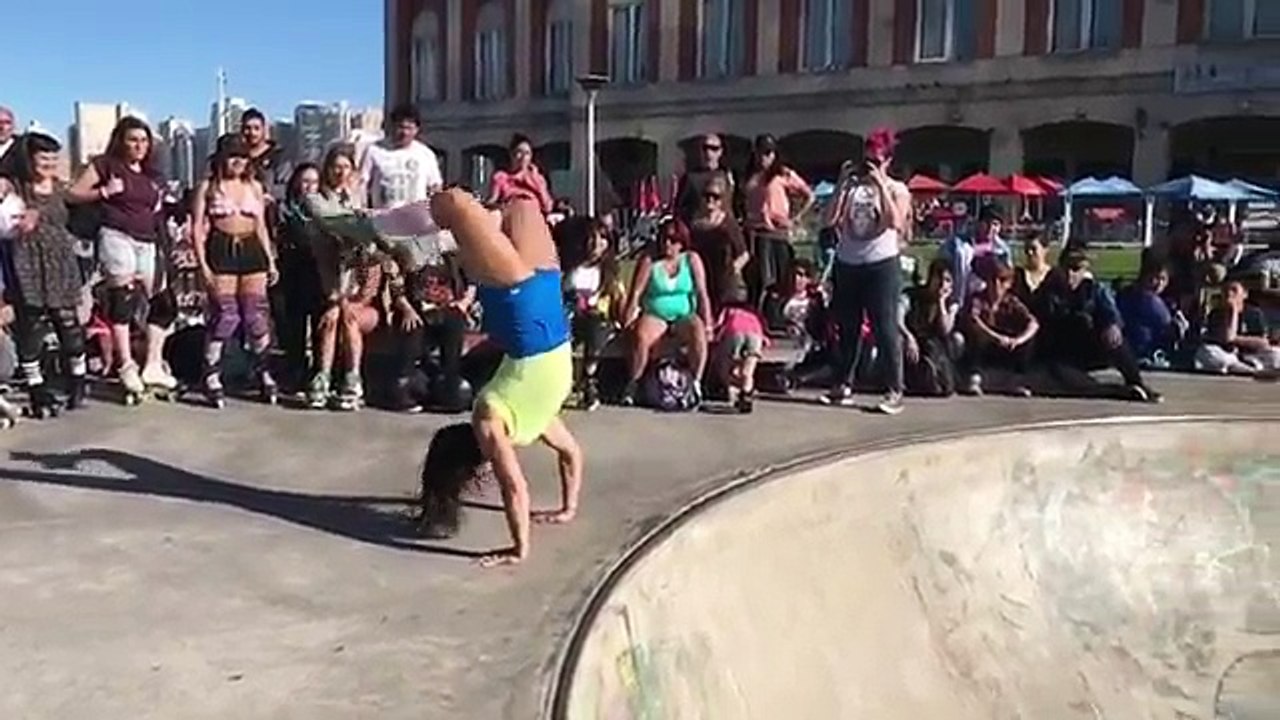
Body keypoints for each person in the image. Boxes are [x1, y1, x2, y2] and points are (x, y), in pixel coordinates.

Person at [417, 190, 582, 568]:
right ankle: (447, 235)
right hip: (532, 302)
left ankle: (399, 232)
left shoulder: (502, 420)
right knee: (518, 205)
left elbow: (525, 481)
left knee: (461, 205)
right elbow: (546, 469)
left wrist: (521, 546)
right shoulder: (520, 418)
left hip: (527, 307)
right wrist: (565, 510)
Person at [67, 116, 176, 399]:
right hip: (117, 235)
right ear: (121, 141)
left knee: (164, 302)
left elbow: (159, 210)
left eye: (143, 140)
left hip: (148, 240)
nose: (139, 145)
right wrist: (104, 191)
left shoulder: (152, 175)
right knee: (122, 298)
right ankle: (126, 363)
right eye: (133, 140)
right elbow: (73, 193)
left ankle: (152, 363)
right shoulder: (105, 165)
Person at [821, 127, 911, 414]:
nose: (869, 165)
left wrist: (880, 185)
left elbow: (894, 222)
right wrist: (841, 184)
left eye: (876, 160)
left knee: (885, 327)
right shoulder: (852, 188)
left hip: (881, 264)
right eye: (867, 159)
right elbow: (829, 219)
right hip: (848, 262)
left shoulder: (898, 189)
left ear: (887, 161)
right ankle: (843, 383)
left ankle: (894, 389)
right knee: (847, 327)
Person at [2, 133, 90, 417]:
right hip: (27, 261)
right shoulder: (15, 187)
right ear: (30, 159)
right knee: (32, 329)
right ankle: (36, 387)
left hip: (60, 261)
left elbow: (83, 205)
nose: (49, 163)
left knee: (69, 326)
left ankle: (78, 380)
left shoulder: (61, 187)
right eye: (43, 158)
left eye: (53, 157)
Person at [190, 135, 278, 407]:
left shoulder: (254, 186)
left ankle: (264, 370)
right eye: (232, 156)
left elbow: (262, 226)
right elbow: (196, 227)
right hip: (221, 249)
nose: (238, 161)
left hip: (252, 250)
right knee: (226, 315)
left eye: (242, 156)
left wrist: (270, 260)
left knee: (255, 316)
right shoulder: (209, 187)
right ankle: (212, 372)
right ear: (221, 159)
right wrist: (203, 264)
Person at [1034, 249, 1161, 402]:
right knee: (1075, 385)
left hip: (1087, 346)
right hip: (1061, 354)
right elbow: (1040, 322)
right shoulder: (1049, 290)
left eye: (1076, 270)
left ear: (1084, 270)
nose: (1070, 275)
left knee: (1115, 339)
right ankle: (1119, 392)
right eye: (1066, 268)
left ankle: (1136, 382)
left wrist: (1112, 325)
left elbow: (1110, 313)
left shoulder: (1094, 289)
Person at [619, 217, 714, 407]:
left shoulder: (691, 260)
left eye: (672, 240)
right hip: (656, 314)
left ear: (681, 242)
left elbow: (702, 292)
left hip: (683, 315)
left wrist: (708, 322)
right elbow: (635, 293)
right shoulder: (649, 261)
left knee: (698, 329)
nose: (667, 244)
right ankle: (633, 384)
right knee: (641, 335)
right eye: (664, 238)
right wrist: (627, 320)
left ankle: (695, 383)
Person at [387, 244, 476, 414]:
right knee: (412, 329)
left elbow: (472, 281)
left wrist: (463, 304)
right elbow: (396, 287)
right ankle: (404, 387)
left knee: (454, 324)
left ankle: (450, 386)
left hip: (448, 308)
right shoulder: (406, 252)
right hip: (417, 309)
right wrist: (407, 310)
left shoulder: (453, 254)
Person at [359, 103, 444, 269]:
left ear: (416, 130)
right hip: (384, 224)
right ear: (391, 126)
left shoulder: (425, 154)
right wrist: (362, 210)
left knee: (419, 273)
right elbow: (362, 184)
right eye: (399, 127)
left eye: (409, 127)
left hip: (417, 225)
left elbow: (435, 187)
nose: (403, 132)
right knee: (386, 275)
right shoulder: (374, 151)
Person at [557, 216, 624, 412]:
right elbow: (563, 293)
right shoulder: (574, 268)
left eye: (602, 238)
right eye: (592, 239)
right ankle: (563, 384)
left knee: (595, 324)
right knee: (563, 332)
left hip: (599, 319)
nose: (597, 244)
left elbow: (618, 298)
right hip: (574, 316)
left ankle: (589, 380)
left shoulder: (610, 270)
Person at [743, 134, 813, 307]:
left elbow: (808, 195)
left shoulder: (782, 174)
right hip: (755, 232)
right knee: (758, 278)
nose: (764, 157)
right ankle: (759, 312)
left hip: (777, 232)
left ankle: (781, 311)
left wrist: (795, 217)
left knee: (780, 277)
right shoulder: (750, 175)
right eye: (761, 153)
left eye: (769, 153)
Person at [274, 164, 325, 391]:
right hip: (291, 269)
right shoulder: (284, 209)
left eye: (314, 182)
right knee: (293, 323)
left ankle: (319, 371)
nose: (308, 187)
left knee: (318, 323)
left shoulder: (325, 209)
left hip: (318, 271)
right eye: (304, 181)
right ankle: (295, 369)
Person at [961, 260, 1039, 396]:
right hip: (983, 346)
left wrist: (1018, 340)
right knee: (976, 337)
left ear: (1008, 284)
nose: (996, 285)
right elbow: (974, 321)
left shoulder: (1011, 301)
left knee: (1028, 341)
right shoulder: (978, 299)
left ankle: (1018, 380)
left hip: (1004, 348)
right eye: (993, 280)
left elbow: (1033, 323)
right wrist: (996, 337)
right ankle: (974, 377)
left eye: (1002, 280)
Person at [689, 175, 749, 315]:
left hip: (723, 274)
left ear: (721, 201)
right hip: (701, 272)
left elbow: (744, 253)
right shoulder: (695, 224)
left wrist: (735, 268)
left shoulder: (728, 223)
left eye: (715, 196)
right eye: (707, 195)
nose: (710, 200)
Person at [902, 258, 961, 397]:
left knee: (957, 340)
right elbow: (897, 317)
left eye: (947, 280)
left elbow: (945, 329)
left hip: (937, 345)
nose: (941, 283)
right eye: (938, 278)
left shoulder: (952, 303)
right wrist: (908, 336)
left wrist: (941, 302)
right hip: (912, 341)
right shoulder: (914, 295)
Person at [1195, 280, 1279, 375]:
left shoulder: (1255, 313)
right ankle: (1250, 370)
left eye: (1234, 290)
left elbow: (1263, 341)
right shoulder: (1216, 314)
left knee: (1276, 354)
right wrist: (1232, 312)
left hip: (1250, 355)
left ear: (1244, 294)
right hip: (1227, 355)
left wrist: (1236, 339)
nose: (1229, 293)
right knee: (1205, 352)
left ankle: (1245, 368)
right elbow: (1225, 338)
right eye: (1226, 290)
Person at [1116, 262, 1184, 366]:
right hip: (1145, 353)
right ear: (1143, 277)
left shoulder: (1126, 294)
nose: (1158, 283)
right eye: (1153, 278)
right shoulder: (1150, 301)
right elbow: (1168, 327)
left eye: (1163, 279)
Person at [713, 287, 768, 413]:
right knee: (748, 371)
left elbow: (718, 325)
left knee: (725, 366)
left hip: (735, 331)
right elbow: (764, 333)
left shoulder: (728, 310)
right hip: (755, 335)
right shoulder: (753, 314)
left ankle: (732, 387)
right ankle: (746, 393)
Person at [940, 204, 1012, 300]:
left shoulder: (1002, 249)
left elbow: (1007, 276)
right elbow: (942, 261)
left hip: (987, 294)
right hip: (957, 290)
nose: (990, 228)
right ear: (979, 223)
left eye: (995, 224)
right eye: (987, 223)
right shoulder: (958, 242)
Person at [673, 133, 736, 223]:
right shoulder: (691, 177)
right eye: (705, 148)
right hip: (698, 229)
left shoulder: (727, 175)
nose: (708, 153)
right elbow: (679, 207)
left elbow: (734, 205)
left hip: (723, 228)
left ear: (720, 151)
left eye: (714, 148)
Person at [487, 134, 553, 214]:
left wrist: (535, 182)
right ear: (511, 154)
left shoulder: (538, 178)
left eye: (527, 153)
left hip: (533, 218)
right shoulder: (500, 177)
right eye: (519, 152)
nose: (523, 157)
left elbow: (547, 207)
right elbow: (492, 202)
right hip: (511, 217)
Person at [240, 108, 290, 202]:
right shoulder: (237, 157)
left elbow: (285, 186)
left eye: (256, 128)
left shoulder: (278, 156)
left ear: (264, 130)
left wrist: (264, 194)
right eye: (248, 128)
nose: (252, 133)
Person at [1012, 233, 1052, 303]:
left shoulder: (1056, 276)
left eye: (1034, 249)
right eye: (1027, 249)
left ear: (1045, 249)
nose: (1030, 252)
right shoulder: (1017, 275)